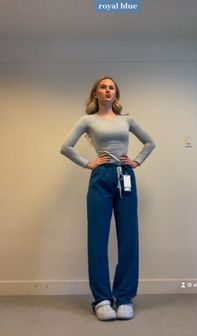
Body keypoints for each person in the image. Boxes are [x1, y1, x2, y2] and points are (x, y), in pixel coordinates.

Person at [60, 75, 156, 321]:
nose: (107, 90)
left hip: (125, 176)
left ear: (116, 94)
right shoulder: (87, 120)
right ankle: (102, 300)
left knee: (129, 239)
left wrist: (135, 161)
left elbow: (149, 143)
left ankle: (124, 298)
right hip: (100, 178)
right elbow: (66, 147)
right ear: (96, 93)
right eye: (103, 87)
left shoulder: (127, 120)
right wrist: (87, 163)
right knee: (97, 240)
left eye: (111, 87)